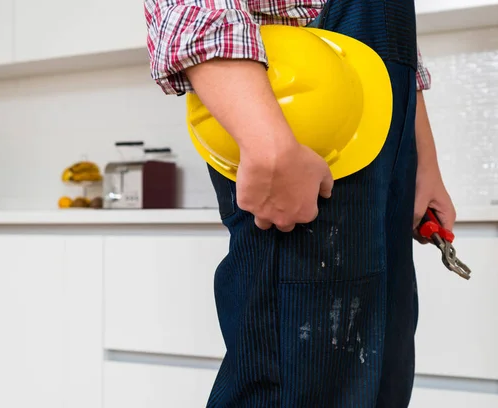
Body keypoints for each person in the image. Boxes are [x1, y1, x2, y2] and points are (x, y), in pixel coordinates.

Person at [143, 0, 456, 406]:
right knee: (296, 383)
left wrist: (421, 161)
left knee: (380, 380)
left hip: (382, 130)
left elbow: (394, 55)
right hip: (302, 123)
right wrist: (267, 142)